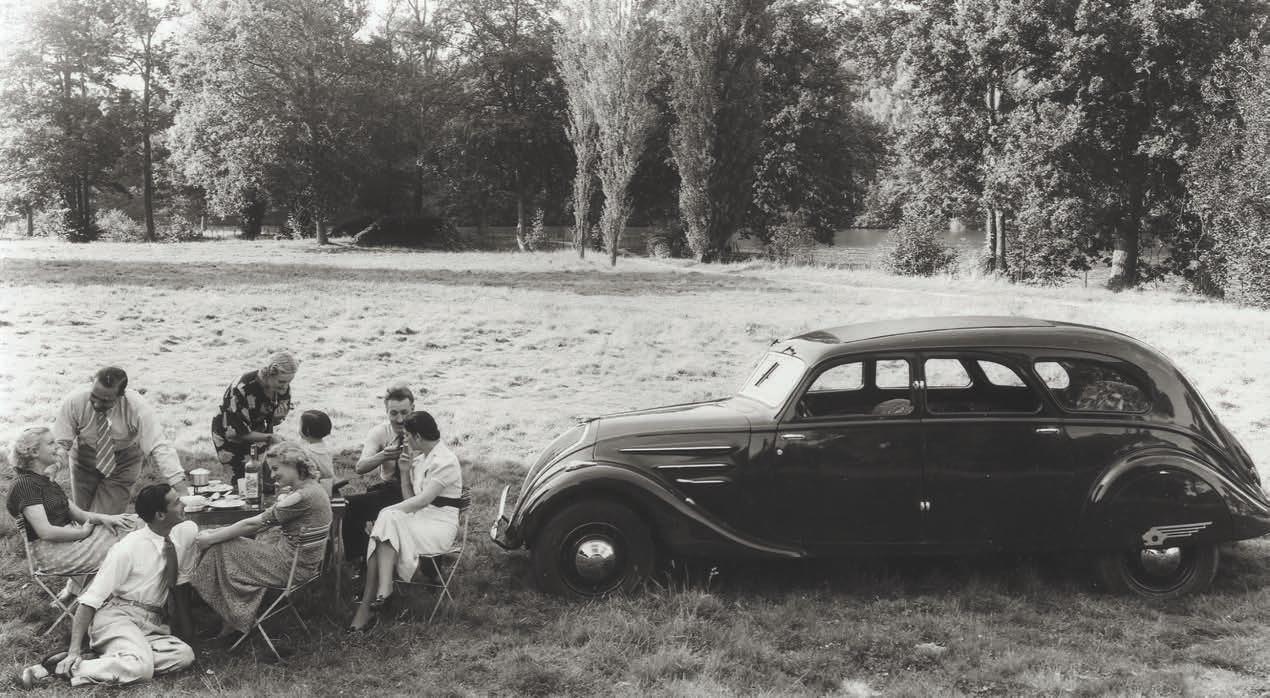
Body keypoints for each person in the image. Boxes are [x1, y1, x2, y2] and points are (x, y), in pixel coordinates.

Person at [51, 484, 198, 688]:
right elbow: (90, 599)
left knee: (183, 655)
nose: (183, 504)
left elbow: (196, 541)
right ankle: (60, 668)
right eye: (177, 502)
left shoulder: (178, 535)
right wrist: (73, 650)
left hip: (151, 622)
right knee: (141, 669)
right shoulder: (128, 548)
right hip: (119, 617)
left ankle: (110, 660)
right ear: (160, 515)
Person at [190, 442, 332, 638]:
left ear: (293, 464)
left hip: (289, 568)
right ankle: (234, 611)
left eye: (275, 469)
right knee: (236, 539)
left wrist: (210, 538)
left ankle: (233, 616)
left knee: (220, 547)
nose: (272, 475)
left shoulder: (300, 497)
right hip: (305, 564)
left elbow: (253, 524)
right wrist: (218, 532)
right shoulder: (315, 488)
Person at [348, 410, 461, 632]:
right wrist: (404, 472)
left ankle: (373, 600)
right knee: (385, 526)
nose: (405, 440)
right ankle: (382, 593)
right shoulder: (421, 459)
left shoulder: (445, 461)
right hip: (420, 520)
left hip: (439, 527)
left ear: (417, 436)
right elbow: (410, 499)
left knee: (385, 521)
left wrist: (386, 511)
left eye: (407, 435)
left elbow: (423, 501)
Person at [53, 366, 189, 516]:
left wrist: (181, 490)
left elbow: (159, 446)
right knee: (83, 516)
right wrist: (53, 466)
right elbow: (61, 442)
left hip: (124, 462)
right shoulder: (74, 401)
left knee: (103, 518)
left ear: (120, 396)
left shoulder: (137, 407)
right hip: (84, 461)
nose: (97, 404)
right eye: (94, 396)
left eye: (105, 401)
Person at [7, 426, 135, 582]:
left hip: (72, 542)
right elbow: (46, 532)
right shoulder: (24, 485)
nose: (57, 447)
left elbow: (80, 515)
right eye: (51, 443)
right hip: (57, 554)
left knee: (132, 523)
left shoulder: (46, 481)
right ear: (34, 452)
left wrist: (108, 518)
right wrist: (82, 533)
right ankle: (123, 591)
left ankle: (113, 590)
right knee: (136, 535)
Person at [342, 384, 415, 577]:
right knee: (348, 505)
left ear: (413, 409)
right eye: (394, 413)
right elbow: (360, 467)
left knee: (358, 503)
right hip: (390, 489)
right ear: (386, 411)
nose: (400, 419)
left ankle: (377, 560)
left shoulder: (422, 430)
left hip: (417, 492)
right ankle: (362, 556)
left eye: (405, 413)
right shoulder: (380, 432)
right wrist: (384, 455)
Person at [210, 351, 298, 491]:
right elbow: (236, 432)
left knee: (264, 477)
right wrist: (270, 437)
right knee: (243, 482)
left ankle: (267, 500)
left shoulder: (282, 386)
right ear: (269, 374)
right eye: (281, 382)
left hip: (258, 430)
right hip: (230, 433)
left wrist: (276, 419)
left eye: (289, 382)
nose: (284, 387)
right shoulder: (242, 388)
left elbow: (273, 420)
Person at [296, 410, 335, 497]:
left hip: (314, 490)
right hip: (328, 486)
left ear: (307, 430)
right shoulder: (325, 448)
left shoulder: (307, 453)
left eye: (300, 425)